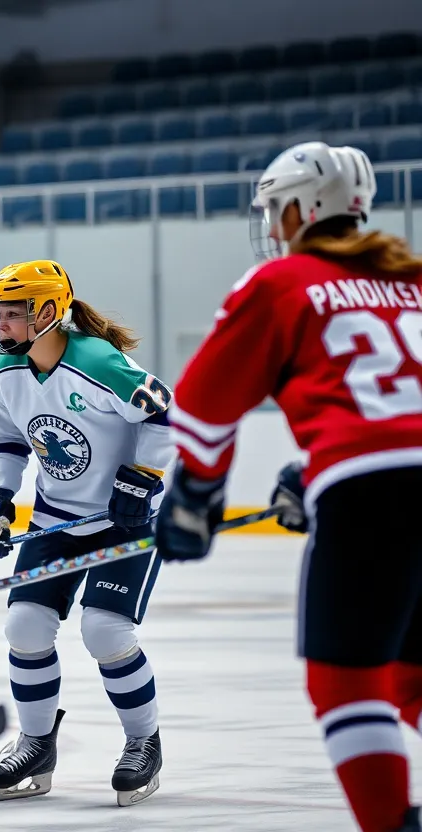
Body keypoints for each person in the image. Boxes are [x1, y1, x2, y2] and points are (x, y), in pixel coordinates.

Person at [155, 141, 422, 832]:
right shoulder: (415, 277)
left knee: (345, 682)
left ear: (307, 208)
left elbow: (204, 405)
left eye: (277, 211)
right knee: (414, 674)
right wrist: (315, 470)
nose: (273, 227)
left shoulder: (282, 283)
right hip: (387, 479)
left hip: (371, 500)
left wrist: (196, 496)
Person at [0, 259, 173, 806]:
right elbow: (7, 443)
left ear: (49, 312)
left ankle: (142, 742)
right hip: (54, 522)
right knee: (24, 628)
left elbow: (163, 416)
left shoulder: (100, 363)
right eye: (0, 314)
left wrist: (142, 478)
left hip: (122, 525)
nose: (2, 325)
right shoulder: (3, 375)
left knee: (105, 634)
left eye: (13, 314)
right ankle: (36, 742)